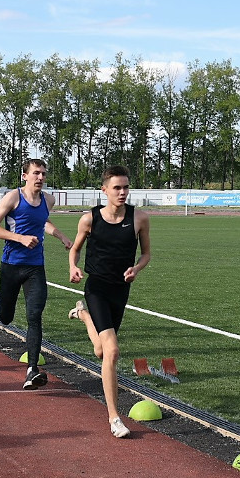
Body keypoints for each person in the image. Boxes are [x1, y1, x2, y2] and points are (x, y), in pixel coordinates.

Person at [68, 165, 151, 438]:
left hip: (120, 290)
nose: (123, 192)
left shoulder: (139, 218)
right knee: (113, 351)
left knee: (102, 352)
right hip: (97, 288)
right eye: (117, 187)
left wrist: (136, 270)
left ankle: (83, 316)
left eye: (126, 187)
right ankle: (114, 417)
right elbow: (76, 249)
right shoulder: (89, 219)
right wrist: (73, 267)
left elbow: (146, 254)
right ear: (104, 190)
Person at [0, 158, 72, 389]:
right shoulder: (13, 197)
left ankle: (32, 369)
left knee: (35, 316)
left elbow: (42, 221)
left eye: (43, 173)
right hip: (12, 264)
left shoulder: (48, 200)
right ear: (25, 176)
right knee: (6, 318)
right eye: (36, 173)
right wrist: (20, 238)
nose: (40, 177)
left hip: (35, 267)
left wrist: (60, 235)